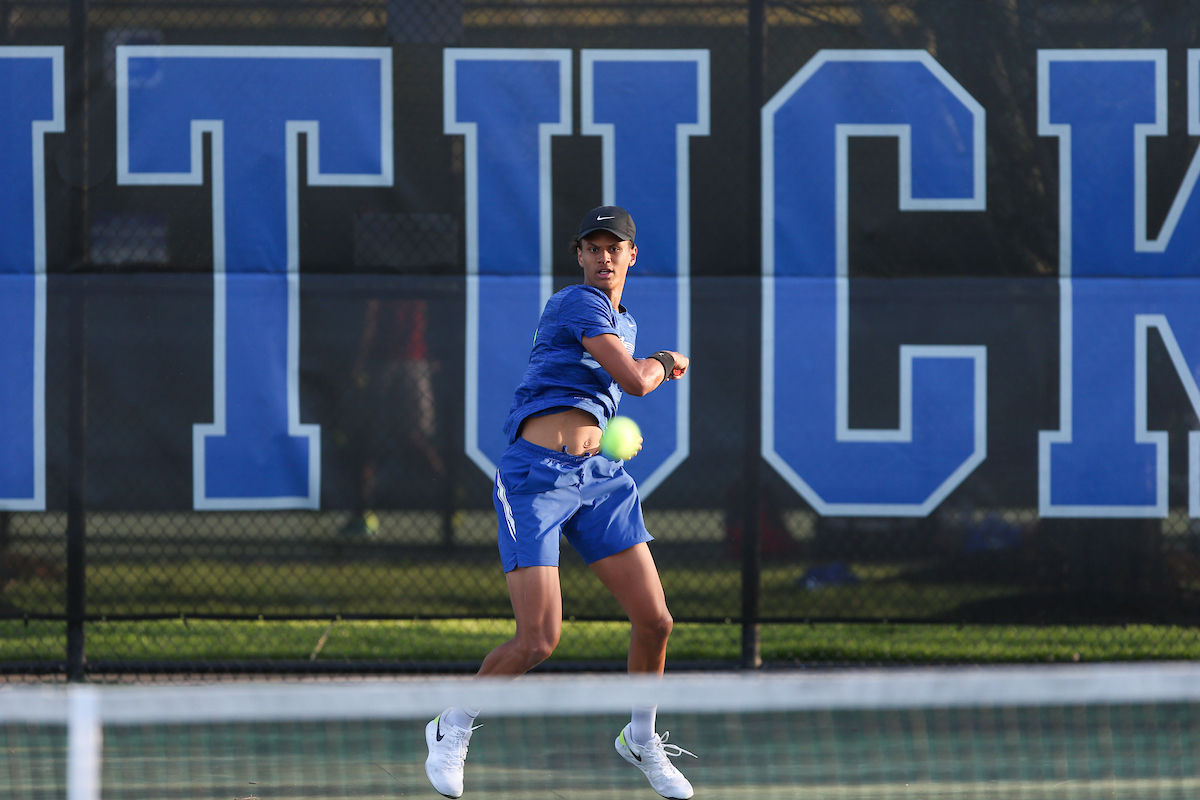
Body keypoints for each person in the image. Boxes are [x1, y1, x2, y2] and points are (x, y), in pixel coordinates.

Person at [424, 206, 694, 799]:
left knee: (656, 621)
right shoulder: (577, 302)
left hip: (602, 477)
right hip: (535, 479)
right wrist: (667, 362)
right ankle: (452, 724)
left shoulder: (622, 321)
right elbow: (636, 380)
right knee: (538, 640)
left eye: (613, 247)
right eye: (591, 247)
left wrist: (610, 434)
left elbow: (603, 394)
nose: (602, 257)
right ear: (579, 256)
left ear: (631, 255)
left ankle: (641, 738)